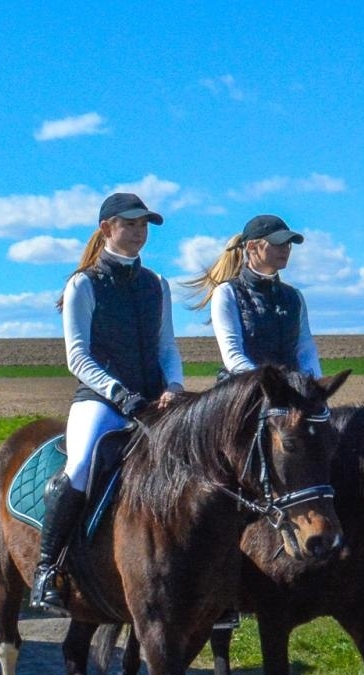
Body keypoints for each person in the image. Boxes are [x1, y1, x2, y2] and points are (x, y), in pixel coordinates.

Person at [32, 192, 183, 611]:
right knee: (80, 466)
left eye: (143, 225)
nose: (138, 232)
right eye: (130, 224)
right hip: (99, 400)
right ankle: (48, 566)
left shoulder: (157, 284)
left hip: (154, 398)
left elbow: (166, 345)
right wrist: (118, 393)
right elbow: (77, 355)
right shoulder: (83, 283)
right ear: (107, 229)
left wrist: (174, 384)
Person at [184, 213, 322, 381]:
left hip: (291, 391)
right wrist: (273, 384)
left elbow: (306, 350)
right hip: (244, 391)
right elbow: (233, 357)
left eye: (288, 243)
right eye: (277, 243)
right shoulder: (227, 293)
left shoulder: (295, 297)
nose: (285, 248)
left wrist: (314, 384)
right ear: (251, 247)